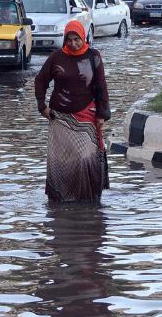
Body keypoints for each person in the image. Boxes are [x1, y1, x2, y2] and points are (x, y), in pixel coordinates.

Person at [34, 20, 110, 203]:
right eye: (69, 40)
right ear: (65, 39)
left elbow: (101, 87)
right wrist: (42, 107)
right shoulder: (56, 57)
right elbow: (40, 81)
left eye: (77, 39)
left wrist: (102, 114)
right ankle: (62, 198)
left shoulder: (94, 56)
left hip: (87, 116)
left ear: (83, 37)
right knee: (62, 159)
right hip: (59, 117)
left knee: (85, 157)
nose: (73, 44)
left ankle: (87, 197)